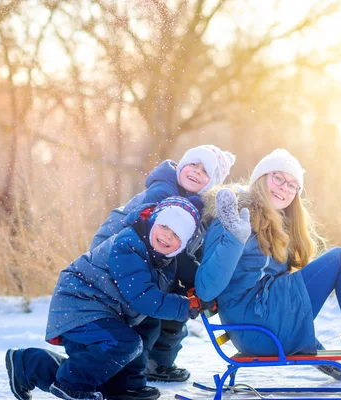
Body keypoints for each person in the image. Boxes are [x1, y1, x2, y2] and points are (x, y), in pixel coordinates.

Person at [195, 148, 341, 387]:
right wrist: (235, 237)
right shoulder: (232, 217)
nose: (284, 187)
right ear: (260, 178)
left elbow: (275, 287)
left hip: (262, 324)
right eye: (278, 178)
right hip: (255, 326)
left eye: (292, 185)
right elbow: (205, 289)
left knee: (340, 261)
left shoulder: (274, 225)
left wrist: (313, 348)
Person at [5, 196, 216, 400]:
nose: (167, 236)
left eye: (177, 235)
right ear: (153, 221)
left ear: (183, 243)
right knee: (123, 343)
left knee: (135, 338)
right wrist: (186, 305)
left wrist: (201, 295)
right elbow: (143, 297)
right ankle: (71, 385)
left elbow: (182, 281)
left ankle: (119, 386)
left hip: (107, 311)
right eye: (164, 226)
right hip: (80, 304)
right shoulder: (129, 245)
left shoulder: (167, 257)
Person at [90, 144, 236, 383]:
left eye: (205, 171)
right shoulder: (163, 193)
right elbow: (167, 247)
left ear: (212, 183)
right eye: (192, 164)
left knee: (177, 302)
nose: (196, 171)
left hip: (146, 258)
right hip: (115, 255)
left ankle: (154, 363)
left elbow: (185, 250)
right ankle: (134, 368)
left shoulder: (197, 206)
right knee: (157, 304)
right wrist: (193, 284)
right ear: (181, 165)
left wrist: (196, 284)